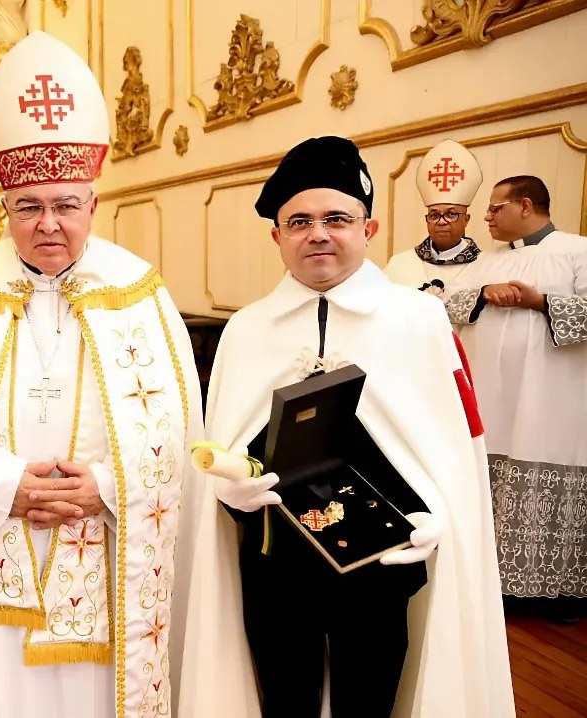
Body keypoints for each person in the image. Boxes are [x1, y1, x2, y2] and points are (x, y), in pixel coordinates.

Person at [0, 31, 252, 718]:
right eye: (29, 206)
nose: (48, 224)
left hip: (107, 547)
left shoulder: (138, 290)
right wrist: (4, 484)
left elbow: (176, 424)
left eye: (66, 204)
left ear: (93, 204)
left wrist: (108, 485)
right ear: (2, 209)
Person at [179, 137, 514, 718]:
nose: (318, 233)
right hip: (276, 565)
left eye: (337, 218)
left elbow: (455, 448)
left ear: (369, 228)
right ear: (276, 235)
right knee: (285, 700)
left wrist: (443, 513)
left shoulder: (420, 321)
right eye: (300, 221)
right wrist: (228, 493)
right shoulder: (247, 331)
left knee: (371, 701)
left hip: (383, 567)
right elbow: (222, 449)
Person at [444, 175, 587, 622]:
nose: (485, 217)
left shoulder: (578, 250)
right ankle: (493, 587)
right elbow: (446, 304)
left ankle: (555, 595)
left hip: (551, 400)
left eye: (494, 208)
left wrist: (540, 301)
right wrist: (485, 294)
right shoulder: (485, 261)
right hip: (491, 398)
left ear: (525, 206)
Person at [385, 139, 483, 294]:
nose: (441, 222)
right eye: (434, 214)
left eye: (451, 214)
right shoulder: (400, 264)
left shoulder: (485, 266)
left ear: (466, 219)